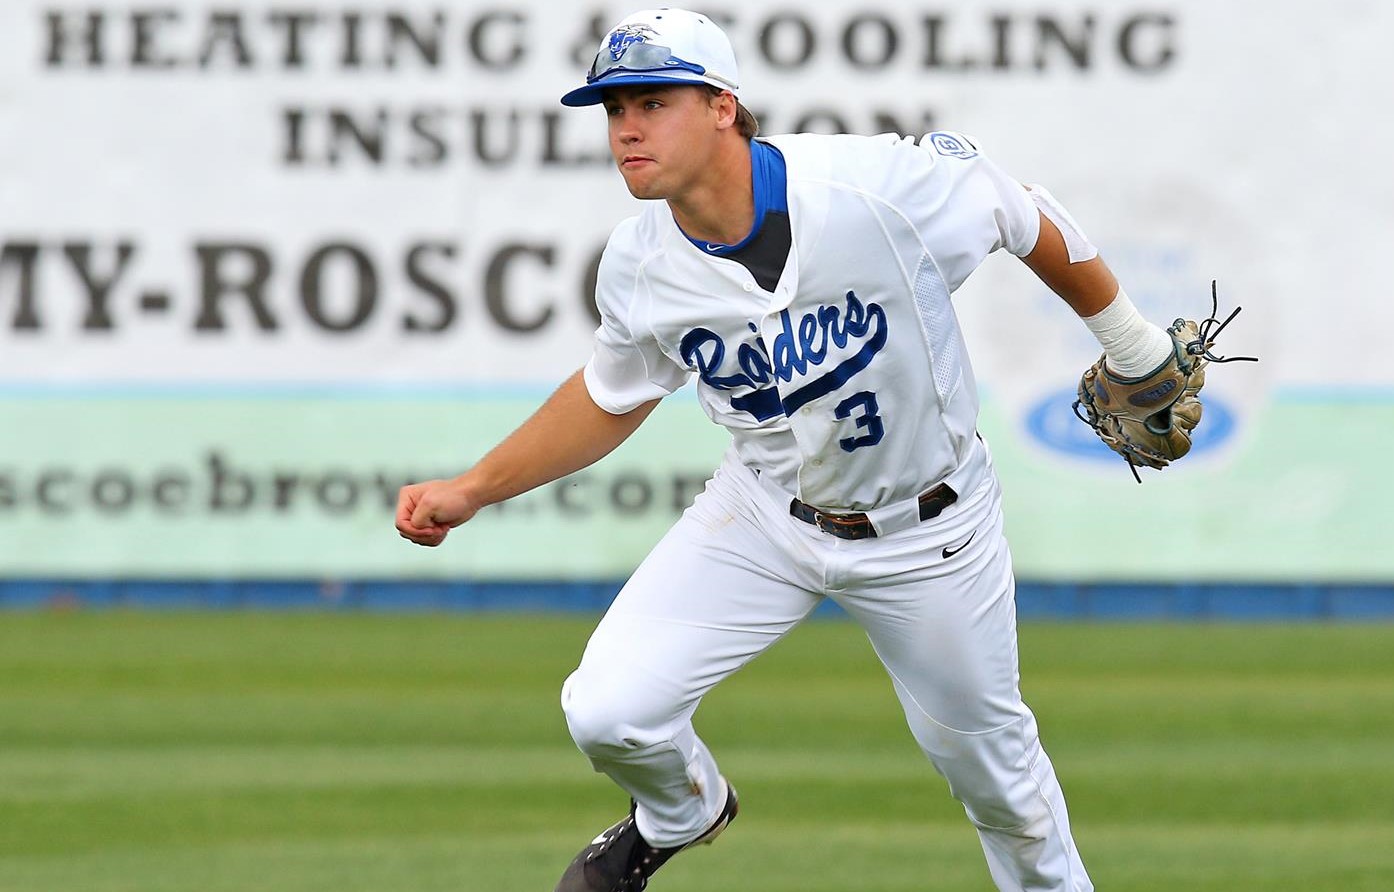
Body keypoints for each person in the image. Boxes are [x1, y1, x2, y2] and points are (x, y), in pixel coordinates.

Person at [395, 8, 1182, 891]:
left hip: (931, 534)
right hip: (764, 513)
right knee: (609, 711)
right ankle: (682, 809)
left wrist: (1134, 344)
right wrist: (474, 488)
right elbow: (610, 396)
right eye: (613, 110)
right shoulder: (641, 262)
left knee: (1002, 792)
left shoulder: (871, 191)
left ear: (724, 106)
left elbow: (1018, 210)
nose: (626, 129)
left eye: (652, 102)